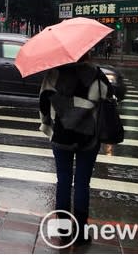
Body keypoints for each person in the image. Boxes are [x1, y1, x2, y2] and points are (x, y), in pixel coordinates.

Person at [39, 51, 112, 246]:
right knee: (82, 183)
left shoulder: (53, 74)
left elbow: (43, 102)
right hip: (88, 139)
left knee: (63, 181)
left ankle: (62, 230)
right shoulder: (96, 74)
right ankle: (80, 232)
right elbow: (109, 99)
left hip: (61, 137)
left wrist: (48, 125)